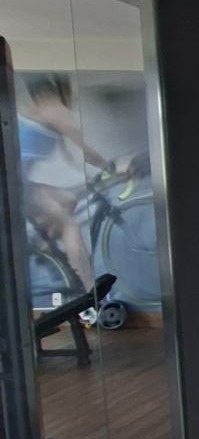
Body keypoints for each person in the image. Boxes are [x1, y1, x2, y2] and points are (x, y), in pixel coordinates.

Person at [18, 75, 121, 294]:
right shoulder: (54, 109)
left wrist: (91, 177)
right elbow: (87, 152)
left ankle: (46, 247)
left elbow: (74, 158)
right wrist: (110, 167)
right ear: (60, 90)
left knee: (69, 199)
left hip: (20, 183)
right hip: (16, 186)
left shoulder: (39, 111)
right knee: (70, 226)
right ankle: (88, 289)